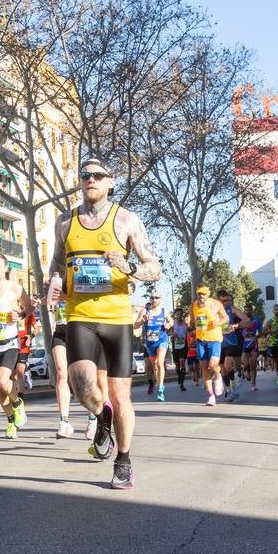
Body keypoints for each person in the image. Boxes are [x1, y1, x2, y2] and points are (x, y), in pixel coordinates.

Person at [46, 158, 162, 491]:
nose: (90, 180)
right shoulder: (65, 222)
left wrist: (128, 267)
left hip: (117, 317)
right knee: (81, 382)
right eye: (85, 175)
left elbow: (153, 266)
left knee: (120, 394)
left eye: (97, 176)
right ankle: (101, 416)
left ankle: (123, 461)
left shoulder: (126, 220)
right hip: (80, 314)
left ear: (110, 182)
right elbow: (57, 263)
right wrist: (54, 283)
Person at [0, 254, 32, 437]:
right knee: (1, 391)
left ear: (5, 268)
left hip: (10, 344)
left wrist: (21, 314)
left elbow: (29, 308)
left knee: (3, 380)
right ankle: (11, 421)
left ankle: (18, 403)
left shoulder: (15, 289)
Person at [186, 286, 229, 406]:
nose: (201, 296)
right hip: (201, 340)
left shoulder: (216, 304)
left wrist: (218, 323)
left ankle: (218, 375)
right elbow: (193, 322)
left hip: (214, 339)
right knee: (204, 368)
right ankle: (211, 395)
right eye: (199, 294)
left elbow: (226, 317)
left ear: (208, 294)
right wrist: (188, 322)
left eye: (204, 294)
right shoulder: (193, 306)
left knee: (213, 364)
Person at [135, 291, 173, 402]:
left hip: (162, 340)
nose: (154, 300)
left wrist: (168, 324)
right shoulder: (144, 311)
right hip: (150, 343)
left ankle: (160, 388)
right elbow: (135, 325)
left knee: (160, 363)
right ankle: (158, 384)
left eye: (156, 298)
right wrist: (142, 320)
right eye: (152, 298)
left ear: (160, 299)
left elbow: (171, 321)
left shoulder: (164, 311)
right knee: (155, 366)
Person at [49, 301, 75, 437]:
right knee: (61, 372)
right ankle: (64, 422)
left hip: (80, 334)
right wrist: (38, 301)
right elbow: (47, 300)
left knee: (82, 378)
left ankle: (93, 419)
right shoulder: (56, 283)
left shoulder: (79, 281)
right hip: (60, 334)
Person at [217, 290, 248, 402]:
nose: (226, 302)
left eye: (228, 300)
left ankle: (233, 385)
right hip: (218, 342)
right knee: (223, 369)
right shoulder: (213, 310)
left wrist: (236, 325)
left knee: (228, 365)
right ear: (218, 300)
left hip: (231, 341)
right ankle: (229, 389)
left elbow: (247, 320)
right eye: (224, 300)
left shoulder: (232, 309)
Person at [240, 304, 263, 391]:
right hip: (244, 345)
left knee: (253, 365)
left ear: (252, 311)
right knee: (246, 365)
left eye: (249, 310)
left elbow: (260, 333)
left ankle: (253, 383)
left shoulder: (256, 320)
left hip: (253, 344)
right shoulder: (241, 320)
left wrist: (256, 337)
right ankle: (246, 371)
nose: (248, 311)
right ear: (244, 311)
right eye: (246, 310)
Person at [170, 311, 190, 391]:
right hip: (175, 344)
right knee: (177, 365)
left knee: (182, 362)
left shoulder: (185, 323)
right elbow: (168, 332)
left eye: (181, 314)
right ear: (175, 315)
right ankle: (179, 376)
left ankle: (182, 383)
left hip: (183, 344)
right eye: (178, 314)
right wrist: (171, 335)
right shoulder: (173, 323)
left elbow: (190, 330)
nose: (179, 316)